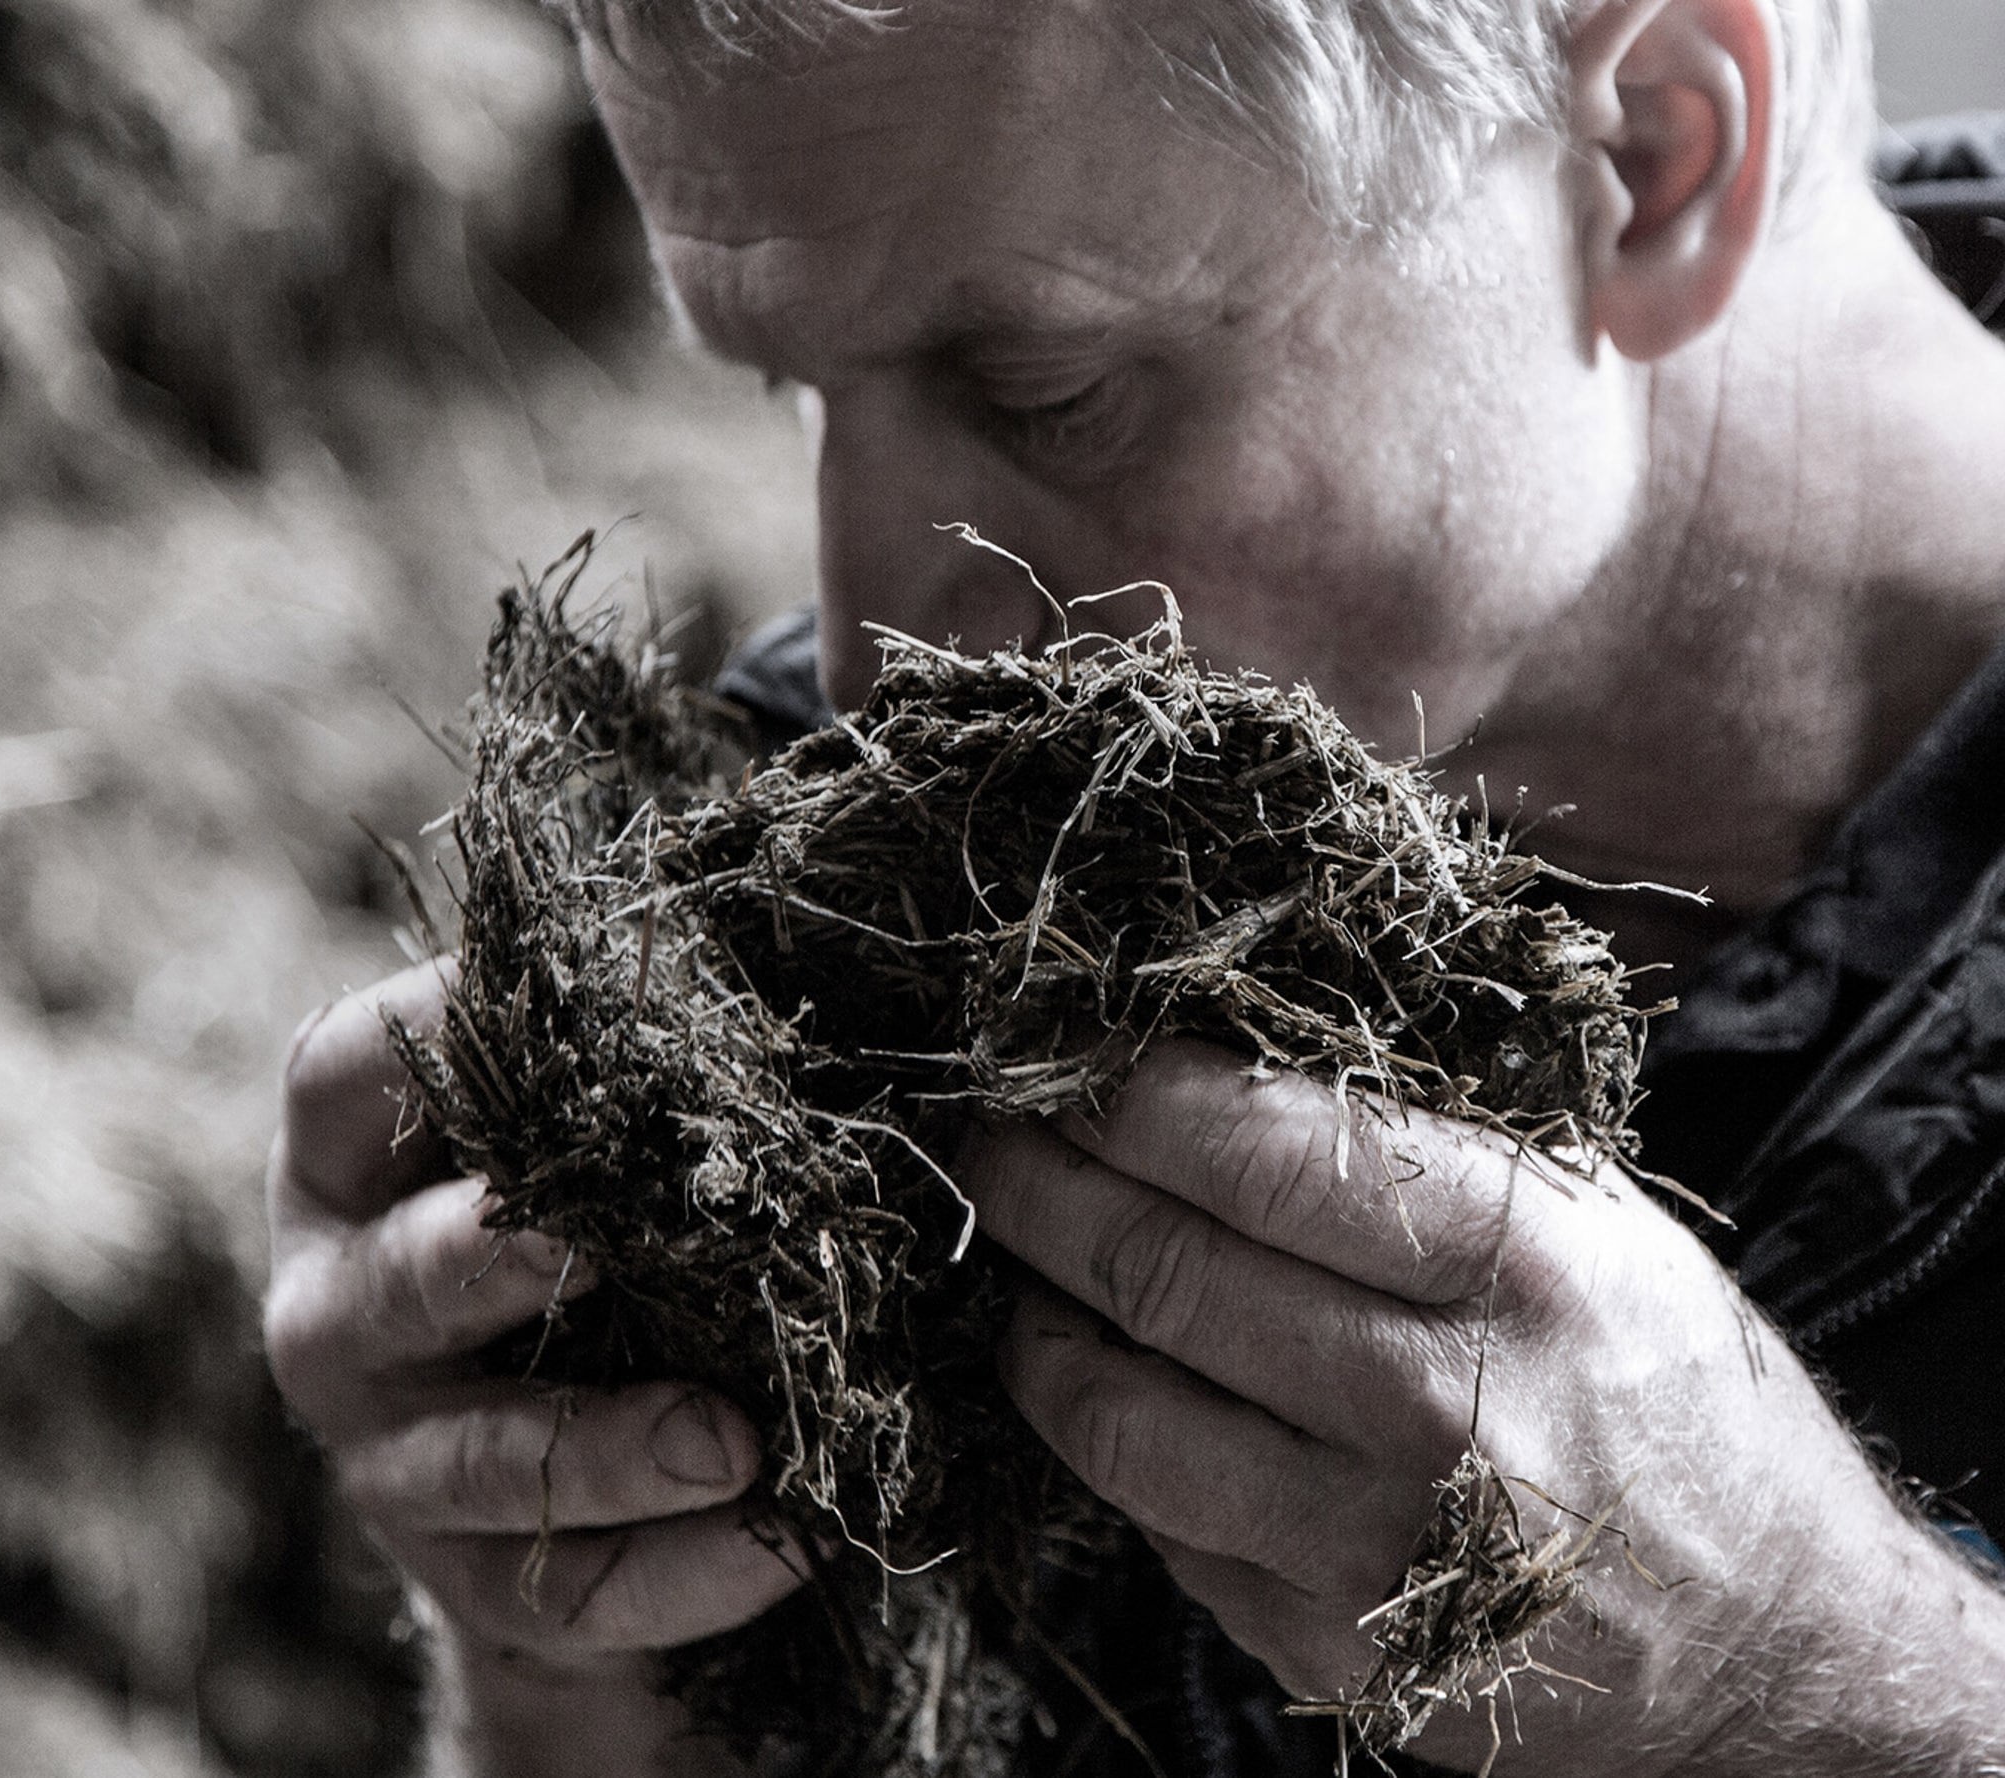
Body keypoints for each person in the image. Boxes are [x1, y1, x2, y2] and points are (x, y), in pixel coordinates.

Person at [261, 1, 2005, 1770]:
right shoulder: (819, 891)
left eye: (1047, 394)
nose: (867, 652)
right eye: (791, 387)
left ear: (1649, 159)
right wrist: (567, 1675)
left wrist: (1813, 1683)